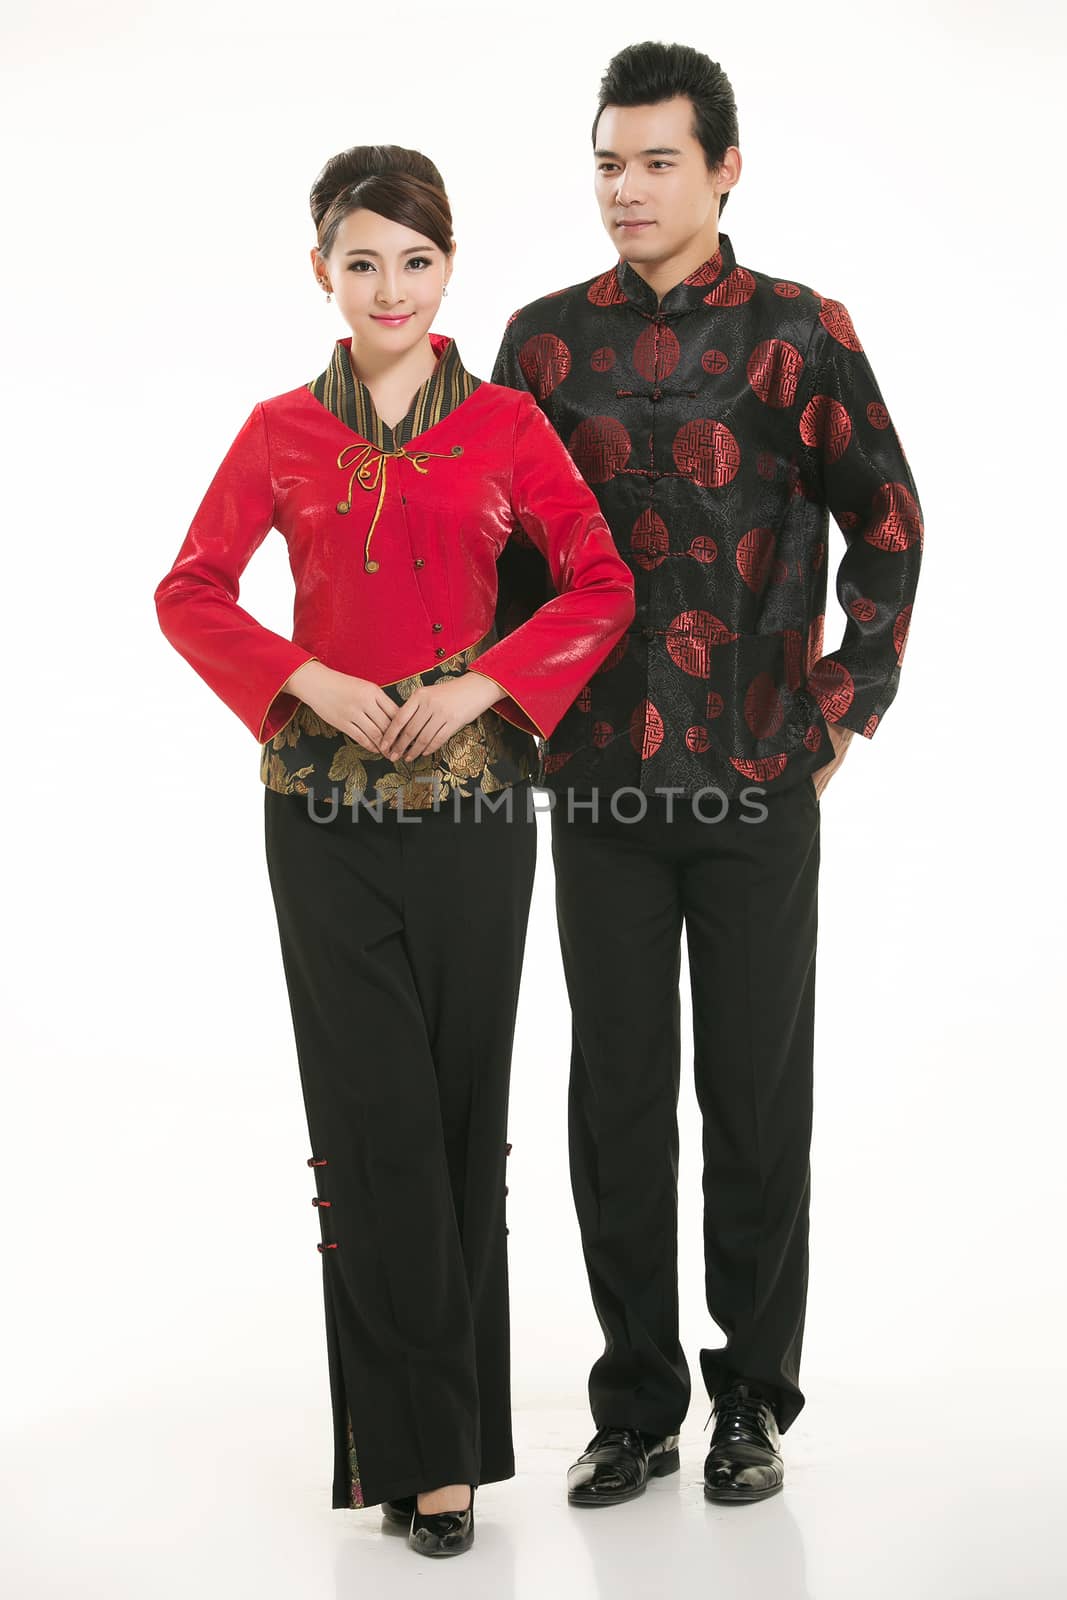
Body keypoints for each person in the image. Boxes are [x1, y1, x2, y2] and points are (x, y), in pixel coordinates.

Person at [153, 144, 635, 1559]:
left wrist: (482, 682)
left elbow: (601, 581)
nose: (389, 287)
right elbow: (187, 591)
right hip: (322, 821)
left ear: (447, 270)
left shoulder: (504, 429)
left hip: (479, 817)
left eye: (415, 261)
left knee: (456, 1124)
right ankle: (413, 1458)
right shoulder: (275, 435)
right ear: (322, 270)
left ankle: (456, 1453)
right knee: (369, 1131)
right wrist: (305, 678)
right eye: (360, 260)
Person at [491, 42, 923, 1507]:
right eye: (610, 160)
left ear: (724, 168)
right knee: (616, 1103)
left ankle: (753, 1404)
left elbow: (891, 520)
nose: (627, 186)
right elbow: (511, 560)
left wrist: (843, 707)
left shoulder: (802, 331)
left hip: (755, 784)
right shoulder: (541, 344)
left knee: (753, 1100)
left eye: (658, 160)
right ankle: (635, 1406)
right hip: (601, 788)